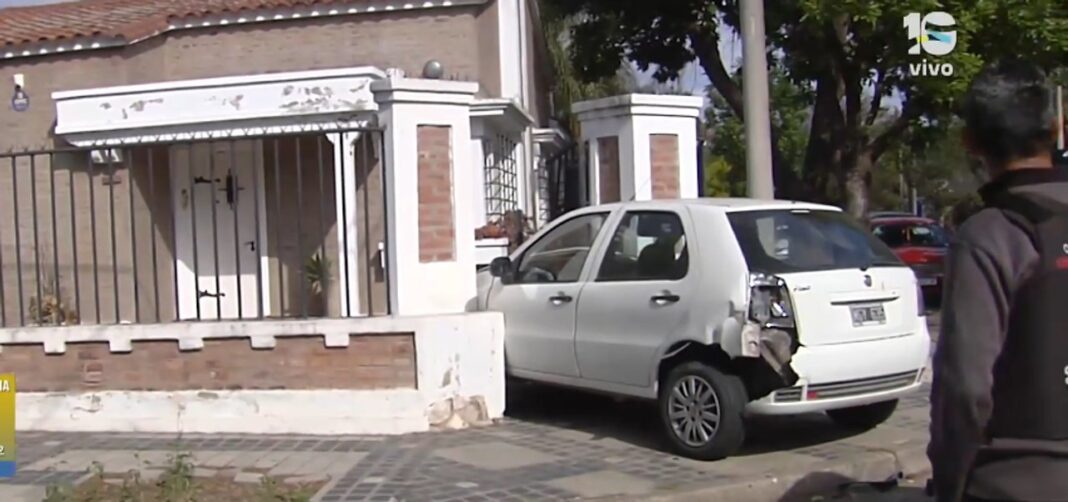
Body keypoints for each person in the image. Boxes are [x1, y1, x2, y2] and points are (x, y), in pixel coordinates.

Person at [928, 59, 1068, 502]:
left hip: (1015, 479)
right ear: (1057, 126)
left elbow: (966, 389)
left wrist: (949, 483)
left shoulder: (989, 235)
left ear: (970, 142)